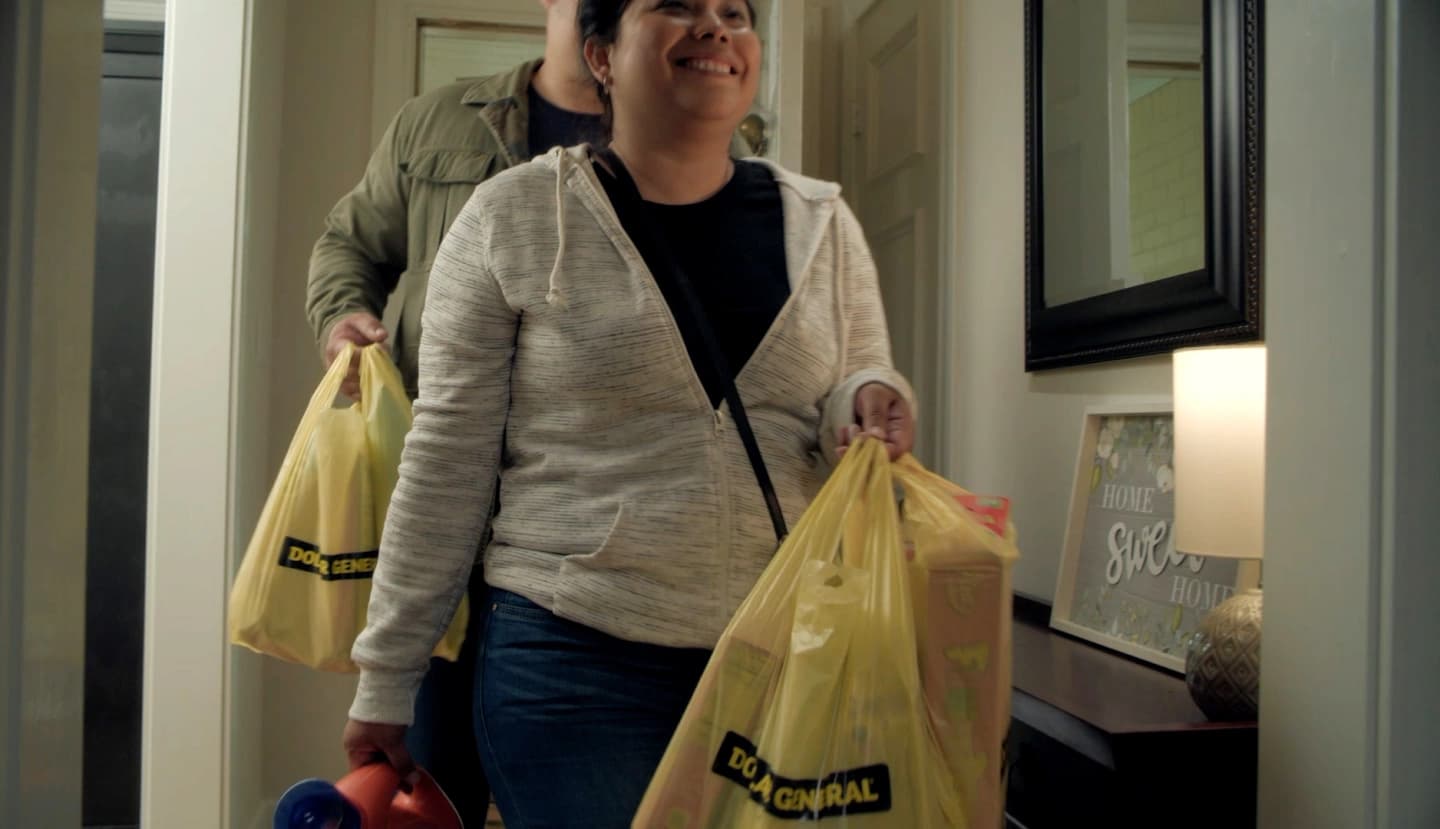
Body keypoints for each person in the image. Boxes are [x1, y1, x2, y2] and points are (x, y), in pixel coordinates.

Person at [341, 0, 916, 826]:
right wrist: (386, 677)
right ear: (601, 53)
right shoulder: (512, 218)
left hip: (788, 657)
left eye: (735, 12)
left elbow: (856, 373)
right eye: (677, 5)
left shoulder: (823, 222)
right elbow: (445, 468)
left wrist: (870, 397)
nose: (715, 27)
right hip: (574, 666)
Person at [306, 2, 616, 822]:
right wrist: (343, 319)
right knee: (430, 790)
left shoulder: (677, 133)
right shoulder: (439, 121)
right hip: (451, 525)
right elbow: (349, 242)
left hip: (589, 543)